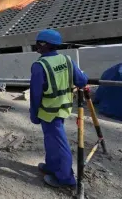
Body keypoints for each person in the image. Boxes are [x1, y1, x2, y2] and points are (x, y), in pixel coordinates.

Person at [30, 29, 88, 188]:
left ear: (44, 44)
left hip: (48, 112)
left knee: (58, 143)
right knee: (51, 140)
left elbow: (35, 95)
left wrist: (34, 115)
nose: (36, 46)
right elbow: (82, 81)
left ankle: (66, 179)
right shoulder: (67, 60)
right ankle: (51, 167)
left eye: (38, 43)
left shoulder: (39, 66)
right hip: (63, 108)